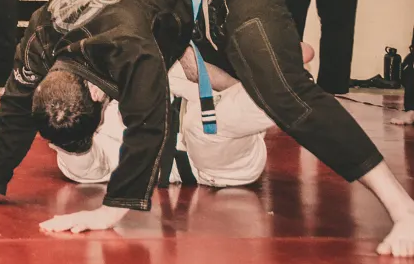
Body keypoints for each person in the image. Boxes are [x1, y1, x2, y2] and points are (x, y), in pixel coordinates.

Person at [0, 0, 414, 258]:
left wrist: (114, 208)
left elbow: (147, 123)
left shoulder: (128, 47)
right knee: (220, 61)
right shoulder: (41, 31)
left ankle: (403, 209)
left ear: (96, 95)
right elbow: (15, 103)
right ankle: (250, 59)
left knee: (284, 93)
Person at [55, 43, 314, 188]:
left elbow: (305, 51)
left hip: (224, 135)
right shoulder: (79, 143)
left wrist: (202, 72)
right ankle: (283, 88)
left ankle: (283, 89)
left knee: (204, 119)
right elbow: (83, 159)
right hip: (212, 169)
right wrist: (74, 128)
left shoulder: (165, 57)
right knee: (200, 124)